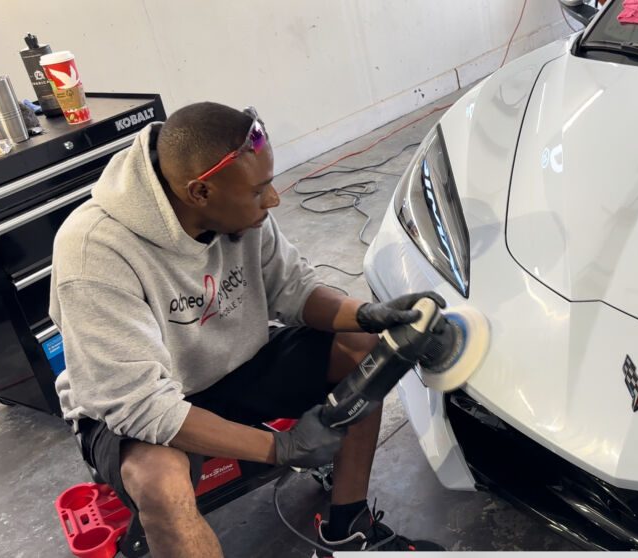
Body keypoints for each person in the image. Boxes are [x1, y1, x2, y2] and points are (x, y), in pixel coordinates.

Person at [50, 101, 446, 557]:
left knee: (366, 350)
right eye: (259, 193)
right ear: (200, 192)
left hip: (233, 364)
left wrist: (367, 315)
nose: (273, 200)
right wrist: (282, 447)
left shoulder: (235, 207)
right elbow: (143, 408)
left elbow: (294, 290)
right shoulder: (94, 251)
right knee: (159, 482)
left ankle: (348, 527)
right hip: (134, 404)